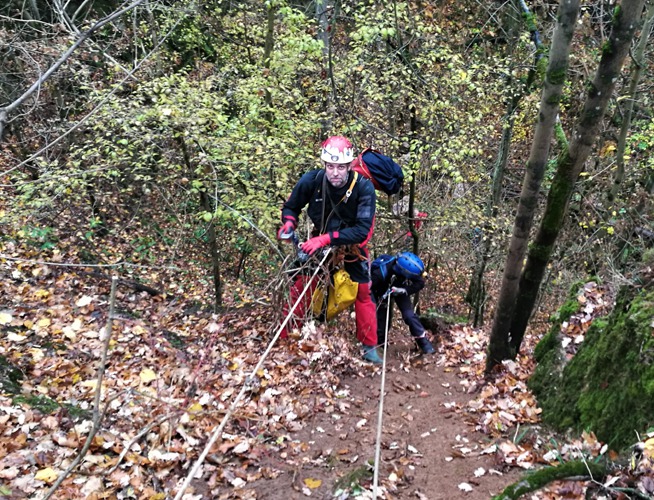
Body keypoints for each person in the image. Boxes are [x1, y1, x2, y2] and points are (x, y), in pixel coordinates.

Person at [277, 135, 382, 364]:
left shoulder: (363, 188)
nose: (335, 172)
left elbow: (362, 231)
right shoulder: (312, 181)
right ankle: (284, 339)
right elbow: (291, 207)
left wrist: (325, 240)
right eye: (330, 166)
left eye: (341, 167)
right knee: (301, 287)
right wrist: (288, 224)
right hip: (319, 243)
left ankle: (369, 347)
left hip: (352, 247)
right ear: (324, 165)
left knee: (363, 292)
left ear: (349, 165)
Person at [371, 252, 435, 354]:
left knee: (409, 316)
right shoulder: (379, 273)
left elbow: (420, 283)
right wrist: (377, 300)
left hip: (400, 289)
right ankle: (381, 345)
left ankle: (424, 343)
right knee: (381, 318)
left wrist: (404, 290)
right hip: (381, 291)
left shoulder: (410, 269)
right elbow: (370, 290)